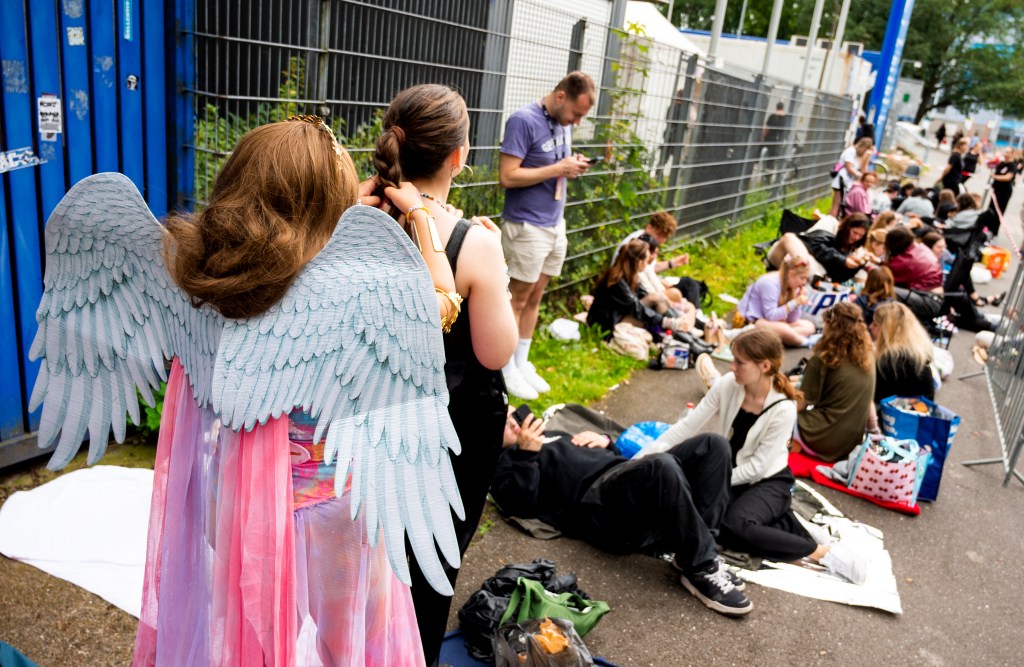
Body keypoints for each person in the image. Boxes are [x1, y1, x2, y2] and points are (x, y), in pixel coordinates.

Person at [135, 118, 460, 664]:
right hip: (329, 513)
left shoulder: (200, 278)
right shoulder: (355, 294)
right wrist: (421, 219)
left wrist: (330, 206)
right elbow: (441, 306)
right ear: (326, 202)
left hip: (235, 502)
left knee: (251, 636)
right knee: (354, 643)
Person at [373, 84, 519, 667]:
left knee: (367, 555)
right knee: (429, 567)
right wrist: (496, 263)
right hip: (450, 431)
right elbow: (494, 353)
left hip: (369, 415)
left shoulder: (359, 217)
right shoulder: (473, 243)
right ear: (459, 157)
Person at [647, 330, 867, 584]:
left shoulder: (783, 408)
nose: (732, 366)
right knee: (702, 518)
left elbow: (757, 468)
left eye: (739, 361)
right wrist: (647, 455)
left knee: (732, 525)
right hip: (732, 473)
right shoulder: (729, 384)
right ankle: (786, 525)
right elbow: (688, 425)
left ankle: (821, 552)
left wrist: (711, 483)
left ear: (763, 366)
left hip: (769, 481)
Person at [491, 405, 755, 616]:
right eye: (503, 424)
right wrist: (526, 455)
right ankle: (702, 568)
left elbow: (613, 461)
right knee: (661, 465)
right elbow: (521, 504)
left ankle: (700, 554)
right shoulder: (505, 464)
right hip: (598, 510)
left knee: (714, 444)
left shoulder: (549, 434)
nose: (513, 422)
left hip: (623, 483)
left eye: (511, 414)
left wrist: (606, 442)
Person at [499, 71, 596, 399]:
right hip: (527, 226)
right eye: (577, 114)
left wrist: (572, 165)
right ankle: (504, 370)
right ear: (560, 97)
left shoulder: (562, 123)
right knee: (516, 299)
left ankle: (521, 362)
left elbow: (556, 162)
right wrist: (559, 169)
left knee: (536, 296)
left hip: (555, 224)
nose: (577, 122)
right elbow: (508, 176)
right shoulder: (522, 121)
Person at [794, 302, 876, 462]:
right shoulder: (868, 356)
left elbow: (801, 403)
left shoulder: (825, 357)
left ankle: (793, 446)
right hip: (850, 444)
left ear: (831, 326)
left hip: (821, 436)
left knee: (776, 416)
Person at [587, 239, 692, 338]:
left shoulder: (630, 275)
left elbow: (644, 295)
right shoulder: (617, 280)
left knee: (658, 299)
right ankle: (688, 339)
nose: (647, 264)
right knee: (654, 312)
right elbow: (636, 309)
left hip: (621, 314)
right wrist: (666, 321)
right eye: (646, 260)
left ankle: (688, 333)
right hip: (608, 322)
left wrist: (670, 318)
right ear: (639, 263)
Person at [736, 254, 817, 347]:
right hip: (752, 321)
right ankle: (804, 342)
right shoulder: (770, 283)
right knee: (785, 329)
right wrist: (794, 302)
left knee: (809, 327)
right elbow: (771, 315)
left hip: (773, 323)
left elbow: (792, 320)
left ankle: (780, 338)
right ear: (790, 274)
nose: (804, 282)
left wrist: (797, 304)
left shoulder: (792, 287)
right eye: (802, 278)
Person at [767, 212, 872, 283]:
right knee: (789, 238)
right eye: (854, 232)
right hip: (790, 252)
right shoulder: (831, 223)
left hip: (814, 274)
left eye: (860, 235)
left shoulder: (856, 249)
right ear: (847, 227)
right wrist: (843, 260)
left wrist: (858, 265)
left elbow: (839, 277)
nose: (856, 237)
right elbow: (816, 245)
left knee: (809, 270)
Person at [870, 302, 935, 403]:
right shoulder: (916, 352)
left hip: (896, 415)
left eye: (875, 324)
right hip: (920, 412)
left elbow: (873, 396)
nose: (870, 327)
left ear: (886, 331)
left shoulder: (889, 361)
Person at [829, 137, 873, 217]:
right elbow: (849, 167)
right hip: (841, 181)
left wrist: (867, 157)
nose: (863, 152)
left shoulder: (856, 154)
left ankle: (833, 220)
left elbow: (863, 168)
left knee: (840, 205)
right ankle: (830, 221)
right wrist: (860, 175)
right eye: (864, 150)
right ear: (862, 146)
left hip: (846, 182)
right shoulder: (851, 151)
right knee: (836, 204)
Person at [988, 151, 1018, 234]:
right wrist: (993, 159)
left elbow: (1007, 177)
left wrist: (994, 176)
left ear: (1012, 154)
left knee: (998, 211)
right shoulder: (1001, 163)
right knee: (991, 209)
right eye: (1005, 152)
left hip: (1004, 192)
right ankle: (987, 227)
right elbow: (990, 165)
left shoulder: (1012, 166)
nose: (1005, 154)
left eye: (1008, 152)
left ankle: (993, 231)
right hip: (996, 190)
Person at [762, 102, 787, 184]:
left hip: (770, 140)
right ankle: (777, 180)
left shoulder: (772, 116)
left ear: (776, 107)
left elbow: (766, 129)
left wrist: (762, 138)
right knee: (778, 161)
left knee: (769, 160)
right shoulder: (786, 118)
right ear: (783, 108)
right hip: (780, 142)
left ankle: (767, 179)